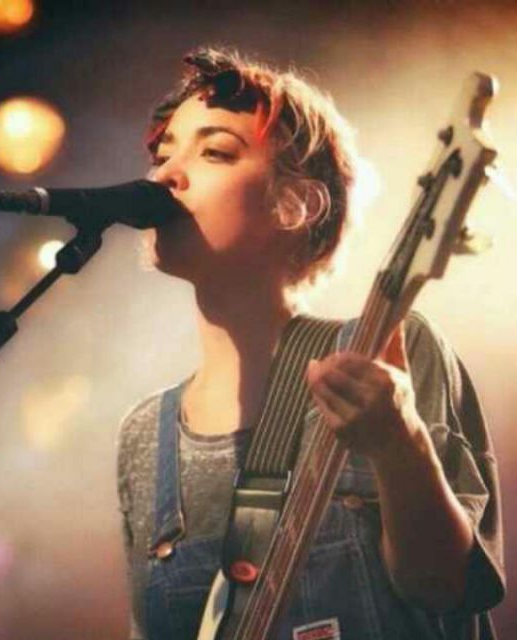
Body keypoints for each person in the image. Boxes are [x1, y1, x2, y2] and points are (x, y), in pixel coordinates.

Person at [117, 47, 505, 640]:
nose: (166, 175)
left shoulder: (383, 350)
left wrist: (399, 442)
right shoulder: (144, 434)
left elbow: (445, 586)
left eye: (215, 151)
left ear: (295, 204)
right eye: (164, 153)